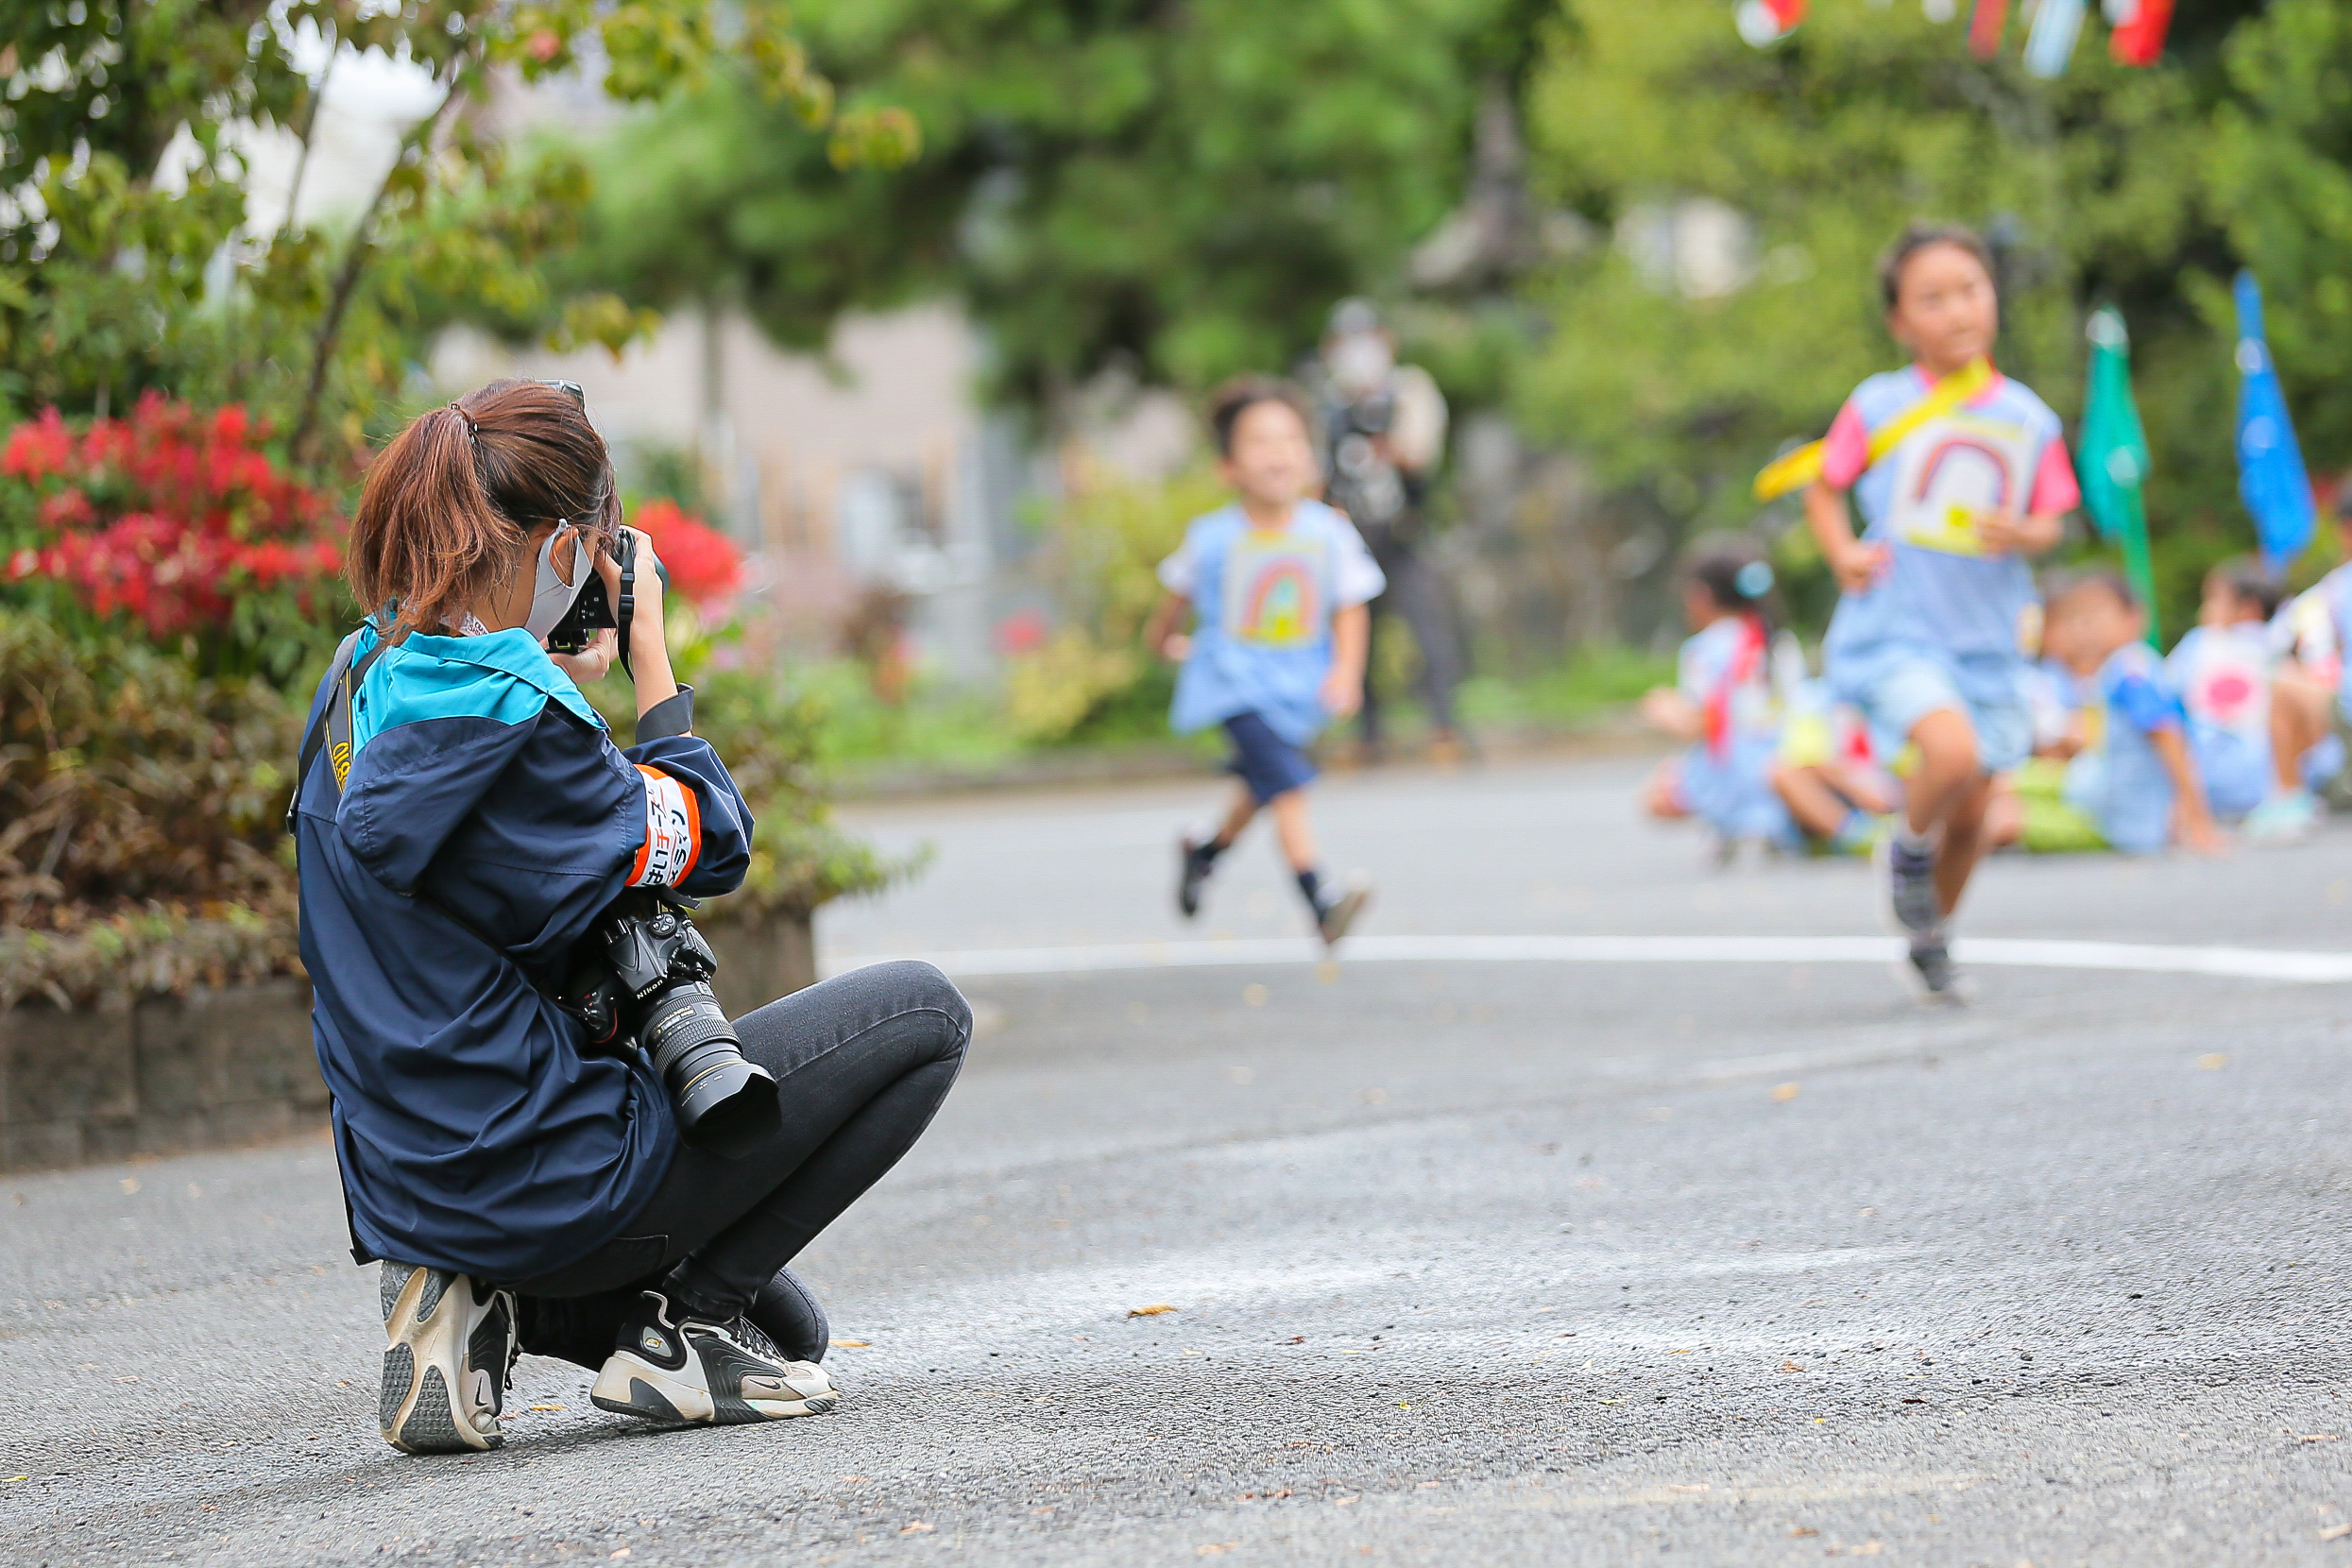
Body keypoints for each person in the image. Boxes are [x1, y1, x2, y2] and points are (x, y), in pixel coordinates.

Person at [292, 381, 971, 1454]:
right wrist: (649, 660)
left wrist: (550, 673)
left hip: (410, 1181)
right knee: (926, 1016)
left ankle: (480, 1297)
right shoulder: (532, 737)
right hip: (554, 1175)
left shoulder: (354, 687)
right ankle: (678, 1334)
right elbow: (715, 838)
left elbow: (483, 806)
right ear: (565, 547)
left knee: (794, 1325)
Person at [1805, 223, 2080, 1000]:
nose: (1958, 311)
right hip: (1899, 626)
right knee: (1950, 757)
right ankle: (1905, 846)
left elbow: (2052, 516)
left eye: (1971, 290)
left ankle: (1931, 933)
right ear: (1899, 321)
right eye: (1933, 298)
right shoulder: (1880, 403)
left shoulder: (2028, 419)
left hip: (1986, 638)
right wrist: (1843, 554)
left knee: (1978, 811)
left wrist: (2024, 532)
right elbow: (1825, 484)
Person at [1147, 376, 1380, 944]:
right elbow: (1174, 603)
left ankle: (1205, 850)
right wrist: (1166, 643)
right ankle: (1319, 901)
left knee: (1264, 782)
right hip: (1232, 682)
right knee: (1288, 783)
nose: (1278, 453)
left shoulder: (1329, 532)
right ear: (1229, 466)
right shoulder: (1212, 538)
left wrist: (1346, 673)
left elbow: (1351, 607)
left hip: (1297, 683)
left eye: (1289, 439)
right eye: (1259, 441)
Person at [1315, 299, 1461, 762]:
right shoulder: (1327, 402)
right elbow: (1321, 472)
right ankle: (1368, 734)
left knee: (1427, 626)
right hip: (1351, 535)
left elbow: (1420, 455)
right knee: (1359, 634)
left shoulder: (1409, 390)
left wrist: (1384, 438)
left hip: (1404, 530)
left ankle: (1444, 726)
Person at [2010, 570, 2221, 855]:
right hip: (2095, 796)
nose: (2085, 629)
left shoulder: (2133, 669)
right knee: (2001, 785)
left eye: (2096, 617)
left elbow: (2166, 732)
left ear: (2133, 619)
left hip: (2118, 822)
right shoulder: (2110, 670)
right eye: (2078, 619)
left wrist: (2195, 813)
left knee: (2003, 816)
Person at [2167, 557, 2283, 825]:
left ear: (2248, 608)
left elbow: (2167, 694)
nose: (2204, 610)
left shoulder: (2199, 643)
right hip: (2270, 779)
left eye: (2212, 600)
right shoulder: (2280, 643)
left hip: (2205, 778)